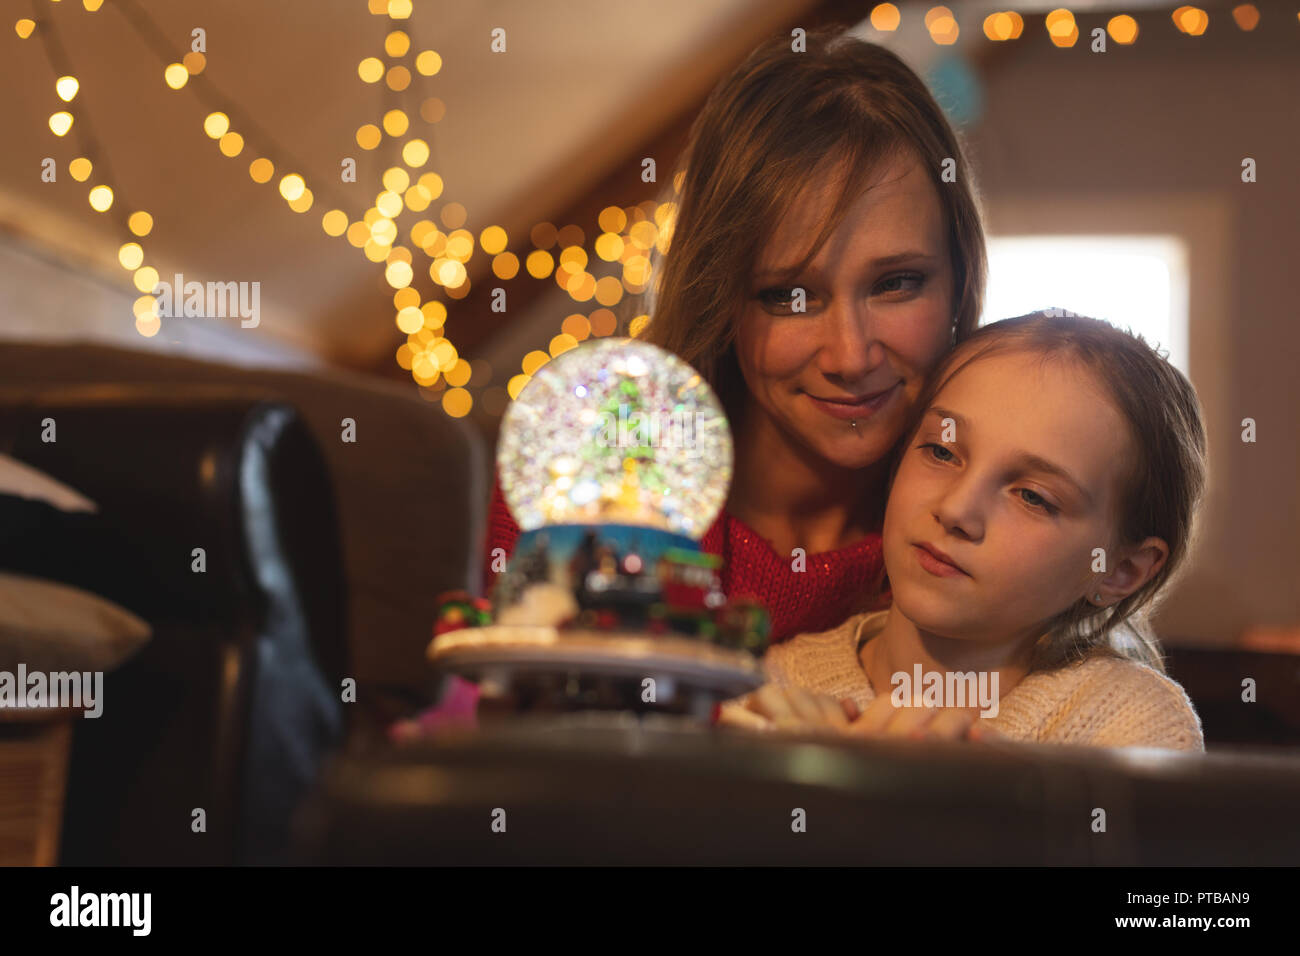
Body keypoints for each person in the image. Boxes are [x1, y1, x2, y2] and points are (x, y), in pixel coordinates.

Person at [484, 27, 989, 642]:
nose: (851, 356)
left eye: (897, 284)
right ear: (717, 296)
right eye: (788, 296)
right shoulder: (594, 467)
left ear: (960, 278)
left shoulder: (993, 514)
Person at [719, 312, 1208, 750]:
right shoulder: (774, 687)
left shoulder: (1133, 728)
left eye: (1033, 496)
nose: (956, 510)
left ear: (1120, 571)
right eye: (941, 451)